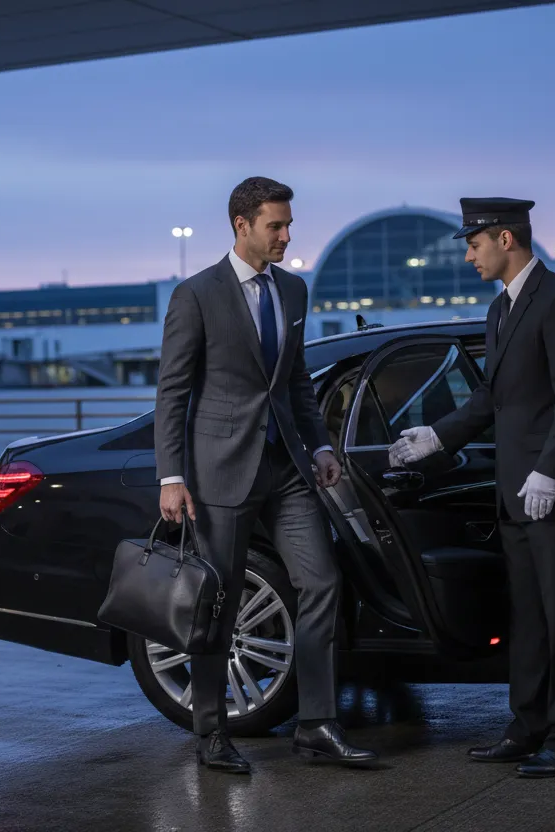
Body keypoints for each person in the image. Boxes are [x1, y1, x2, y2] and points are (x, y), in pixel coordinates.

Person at [154, 176, 377, 774]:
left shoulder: (294, 291)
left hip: (288, 469)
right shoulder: (196, 294)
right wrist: (170, 476)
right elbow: (173, 393)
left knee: (321, 584)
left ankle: (317, 723)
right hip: (219, 473)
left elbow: (296, 382)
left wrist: (322, 444)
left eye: (288, 225)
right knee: (217, 604)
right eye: (275, 225)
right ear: (241, 225)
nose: (285, 236)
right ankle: (211, 733)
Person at [390, 197, 555, 778]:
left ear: (506, 239)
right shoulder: (500, 311)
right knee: (529, 618)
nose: (469, 256)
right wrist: (436, 437)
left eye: (474, 244)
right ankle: (528, 727)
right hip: (514, 492)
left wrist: (551, 468)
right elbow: (492, 399)